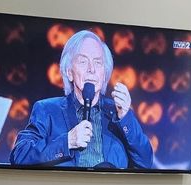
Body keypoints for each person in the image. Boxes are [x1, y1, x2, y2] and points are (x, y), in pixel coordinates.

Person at [10, 30, 153, 169]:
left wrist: (125, 117)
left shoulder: (119, 113)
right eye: (83, 61)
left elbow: (145, 162)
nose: (92, 69)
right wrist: (67, 141)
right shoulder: (47, 110)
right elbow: (20, 156)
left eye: (98, 62)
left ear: (104, 74)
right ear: (69, 72)